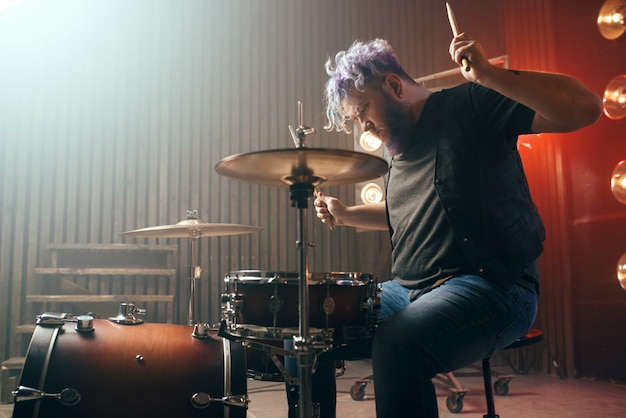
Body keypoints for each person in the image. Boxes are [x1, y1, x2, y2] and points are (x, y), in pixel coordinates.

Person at [305, 33, 602, 418]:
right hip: (409, 290)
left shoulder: (469, 104)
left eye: (363, 109)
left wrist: (492, 75)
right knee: (316, 325)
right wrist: (345, 214)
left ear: (394, 85)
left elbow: (585, 107)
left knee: (397, 344)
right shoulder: (399, 151)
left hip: (492, 287)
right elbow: (404, 215)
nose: (364, 125)